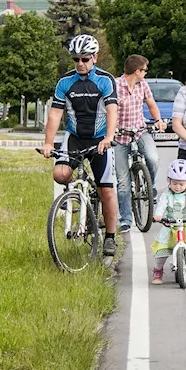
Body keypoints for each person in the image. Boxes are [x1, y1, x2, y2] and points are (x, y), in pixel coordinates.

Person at [40, 34, 121, 257]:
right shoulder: (65, 82)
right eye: (76, 59)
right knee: (60, 174)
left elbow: (112, 111)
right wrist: (48, 143)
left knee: (106, 190)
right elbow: (55, 114)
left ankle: (111, 237)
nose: (80, 64)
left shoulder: (105, 80)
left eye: (85, 59)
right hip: (75, 136)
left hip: (100, 139)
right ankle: (72, 195)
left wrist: (108, 137)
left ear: (94, 57)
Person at [113, 54, 166, 233]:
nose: (145, 73)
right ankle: (126, 219)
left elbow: (151, 104)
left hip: (139, 131)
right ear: (137, 71)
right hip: (120, 136)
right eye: (144, 70)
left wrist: (158, 119)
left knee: (153, 158)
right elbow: (107, 110)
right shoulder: (115, 86)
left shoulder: (143, 85)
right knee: (122, 182)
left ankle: (150, 187)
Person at [151, 159, 186, 285]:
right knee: (162, 250)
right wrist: (158, 215)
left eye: (181, 184)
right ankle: (158, 271)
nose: (177, 187)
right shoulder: (167, 195)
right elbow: (161, 205)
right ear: (169, 181)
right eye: (174, 183)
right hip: (170, 226)